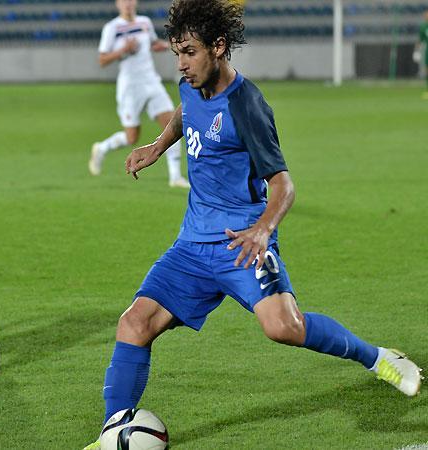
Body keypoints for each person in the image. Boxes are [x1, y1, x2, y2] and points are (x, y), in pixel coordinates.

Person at [84, 0, 423, 447]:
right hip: (192, 244)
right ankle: (111, 434)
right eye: (177, 53)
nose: (181, 64)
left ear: (218, 46)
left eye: (190, 53)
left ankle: (379, 358)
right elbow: (185, 113)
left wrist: (263, 229)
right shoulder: (191, 84)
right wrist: (157, 145)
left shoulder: (247, 105)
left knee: (283, 327)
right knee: (134, 324)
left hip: (242, 241)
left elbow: (283, 185)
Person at [88, 0, 190, 188]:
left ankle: (175, 177)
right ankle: (101, 148)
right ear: (118, 4)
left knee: (173, 125)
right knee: (132, 137)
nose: (127, 3)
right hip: (130, 87)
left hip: (151, 81)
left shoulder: (144, 22)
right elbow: (102, 59)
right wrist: (123, 50)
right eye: (123, 1)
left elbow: (152, 44)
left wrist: (164, 46)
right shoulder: (112, 27)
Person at [414, 10, 428, 98]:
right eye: (425, 15)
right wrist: (416, 51)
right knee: (427, 69)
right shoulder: (423, 26)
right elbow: (420, 39)